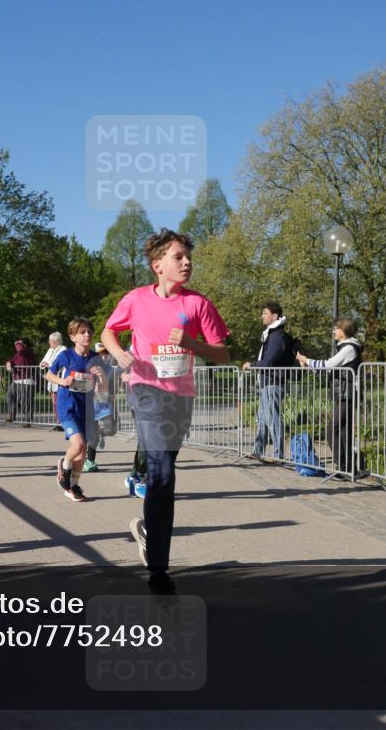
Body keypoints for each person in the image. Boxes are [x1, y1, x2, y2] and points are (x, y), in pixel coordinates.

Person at [101, 229, 230, 594]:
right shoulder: (136, 299)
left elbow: (223, 353)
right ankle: (159, 568)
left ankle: (148, 529)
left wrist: (191, 343)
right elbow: (109, 330)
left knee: (163, 473)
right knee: (163, 472)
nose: (187, 262)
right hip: (145, 391)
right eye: (179, 257)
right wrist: (119, 353)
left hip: (180, 398)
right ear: (158, 265)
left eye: (189, 257)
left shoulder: (198, 304)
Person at [46, 318, 110, 502]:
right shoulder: (66, 356)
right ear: (73, 337)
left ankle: (72, 485)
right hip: (67, 406)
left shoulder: (96, 358)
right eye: (82, 332)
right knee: (80, 445)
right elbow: (49, 374)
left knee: (81, 453)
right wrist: (62, 381)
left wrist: (102, 377)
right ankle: (64, 467)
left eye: (89, 331)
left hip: (87, 408)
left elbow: (103, 387)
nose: (87, 335)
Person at [295, 316, 363, 475]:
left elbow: (328, 365)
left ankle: (344, 467)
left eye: (336, 328)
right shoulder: (345, 347)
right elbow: (329, 368)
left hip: (347, 395)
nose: (333, 331)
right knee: (343, 432)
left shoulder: (349, 348)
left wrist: (306, 359)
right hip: (345, 394)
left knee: (332, 431)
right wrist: (307, 365)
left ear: (344, 330)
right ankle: (347, 468)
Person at [243, 301, 295, 462]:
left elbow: (270, 361)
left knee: (273, 419)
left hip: (273, 382)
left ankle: (278, 455)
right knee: (262, 419)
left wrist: (252, 365)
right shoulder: (270, 334)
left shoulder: (278, 336)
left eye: (265, 313)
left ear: (275, 316)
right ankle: (258, 451)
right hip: (266, 382)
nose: (262, 316)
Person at [83, 342, 116, 472]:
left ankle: (102, 434)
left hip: (105, 404)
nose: (104, 356)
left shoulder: (109, 369)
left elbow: (113, 386)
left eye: (106, 354)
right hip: (91, 405)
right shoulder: (88, 368)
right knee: (93, 436)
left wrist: (112, 394)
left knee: (111, 430)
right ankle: (90, 461)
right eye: (101, 354)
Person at [5, 338, 37, 426]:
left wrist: (17, 343)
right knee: (9, 395)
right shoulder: (19, 353)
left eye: (20, 343)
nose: (17, 344)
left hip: (27, 380)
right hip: (17, 379)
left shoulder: (27, 352)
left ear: (25, 345)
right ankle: (12, 415)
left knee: (25, 401)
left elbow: (20, 349)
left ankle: (28, 421)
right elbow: (13, 360)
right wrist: (9, 363)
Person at [40, 332, 67, 431]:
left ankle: (62, 423)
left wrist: (49, 364)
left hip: (60, 378)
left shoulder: (63, 349)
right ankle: (57, 422)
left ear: (56, 341)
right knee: (54, 402)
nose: (49, 342)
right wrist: (43, 364)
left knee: (60, 402)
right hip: (52, 379)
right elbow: (43, 362)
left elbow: (59, 362)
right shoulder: (50, 350)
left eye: (50, 340)